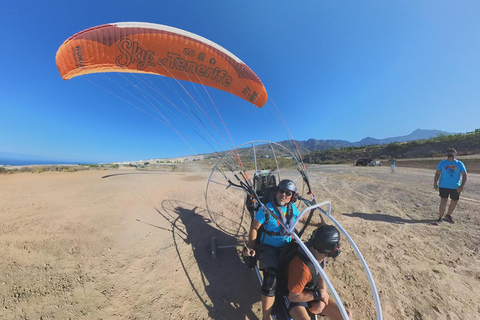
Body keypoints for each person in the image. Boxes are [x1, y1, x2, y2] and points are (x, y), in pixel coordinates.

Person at [243, 179, 301, 320]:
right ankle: (265, 317)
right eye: (282, 191)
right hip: (268, 248)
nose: (284, 195)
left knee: (299, 271)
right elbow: (254, 227)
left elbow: (302, 218)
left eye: (288, 193)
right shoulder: (265, 208)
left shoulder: (293, 208)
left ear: (292, 197)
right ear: (276, 192)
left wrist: (318, 223)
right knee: (270, 280)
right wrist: (251, 247)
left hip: (287, 246)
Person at [280, 225, 353, 320]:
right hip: (294, 295)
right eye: (336, 246)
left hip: (311, 291)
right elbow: (293, 297)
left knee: (346, 315)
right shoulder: (303, 268)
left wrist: (322, 299)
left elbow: (321, 275)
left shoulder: (317, 254)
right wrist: (318, 295)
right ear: (329, 249)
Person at [433, 148, 467, 225]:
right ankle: (440, 217)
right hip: (443, 186)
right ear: (446, 154)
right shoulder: (442, 163)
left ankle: (448, 215)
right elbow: (437, 173)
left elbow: (464, 175)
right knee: (443, 201)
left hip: (455, 187)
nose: (451, 153)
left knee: (454, 201)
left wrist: (461, 186)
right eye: (449, 152)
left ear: (455, 154)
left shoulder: (459, 163)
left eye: (452, 152)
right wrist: (435, 182)